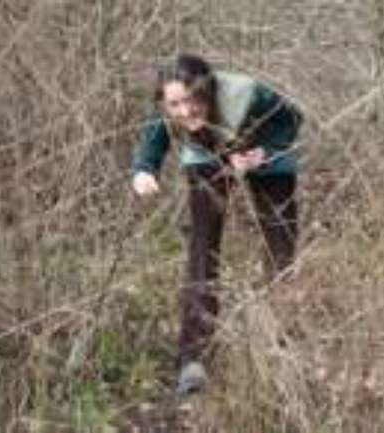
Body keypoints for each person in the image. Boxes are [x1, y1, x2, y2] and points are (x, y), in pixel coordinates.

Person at [131, 53, 302, 394]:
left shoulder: (248, 93)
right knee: (202, 247)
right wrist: (144, 169)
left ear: (208, 90)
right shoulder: (168, 105)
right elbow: (155, 134)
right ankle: (193, 358)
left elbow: (293, 118)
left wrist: (264, 153)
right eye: (176, 104)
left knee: (280, 245)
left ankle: (278, 342)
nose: (185, 111)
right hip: (209, 156)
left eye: (193, 100)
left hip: (265, 157)